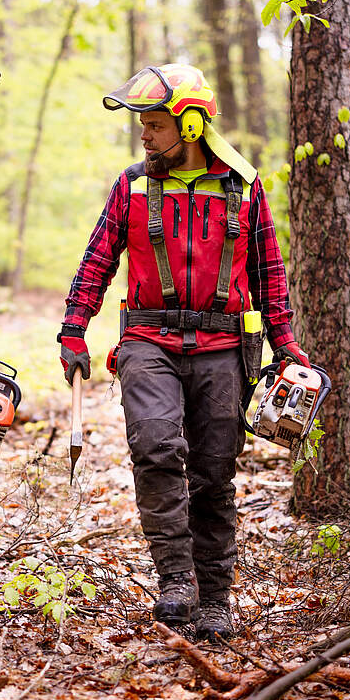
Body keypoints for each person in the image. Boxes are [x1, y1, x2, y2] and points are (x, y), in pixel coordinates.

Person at [57, 63, 308, 642]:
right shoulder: (132, 186)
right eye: (141, 124)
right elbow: (97, 259)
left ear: (191, 125)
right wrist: (75, 329)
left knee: (215, 473)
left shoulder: (244, 187)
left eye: (154, 124)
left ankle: (216, 598)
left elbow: (270, 274)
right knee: (155, 445)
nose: (143, 135)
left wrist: (286, 346)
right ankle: (175, 578)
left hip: (223, 348)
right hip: (147, 342)